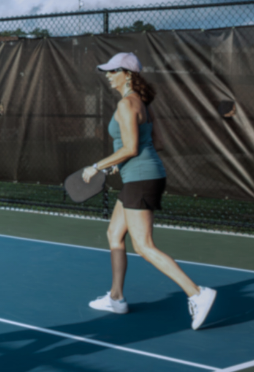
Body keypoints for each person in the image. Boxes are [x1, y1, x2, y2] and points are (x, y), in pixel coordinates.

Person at [82, 52, 216, 330]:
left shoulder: (126, 104)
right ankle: (116, 297)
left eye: (112, 71)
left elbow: (130, 148)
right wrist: (121, 164)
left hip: (142, 179)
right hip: (141, 175)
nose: (107, 76)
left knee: (143, 245)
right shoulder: (142, 104)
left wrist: (97, 166)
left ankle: (198, 293)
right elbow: (156, 142)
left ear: (127, 74)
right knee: (114, 234)